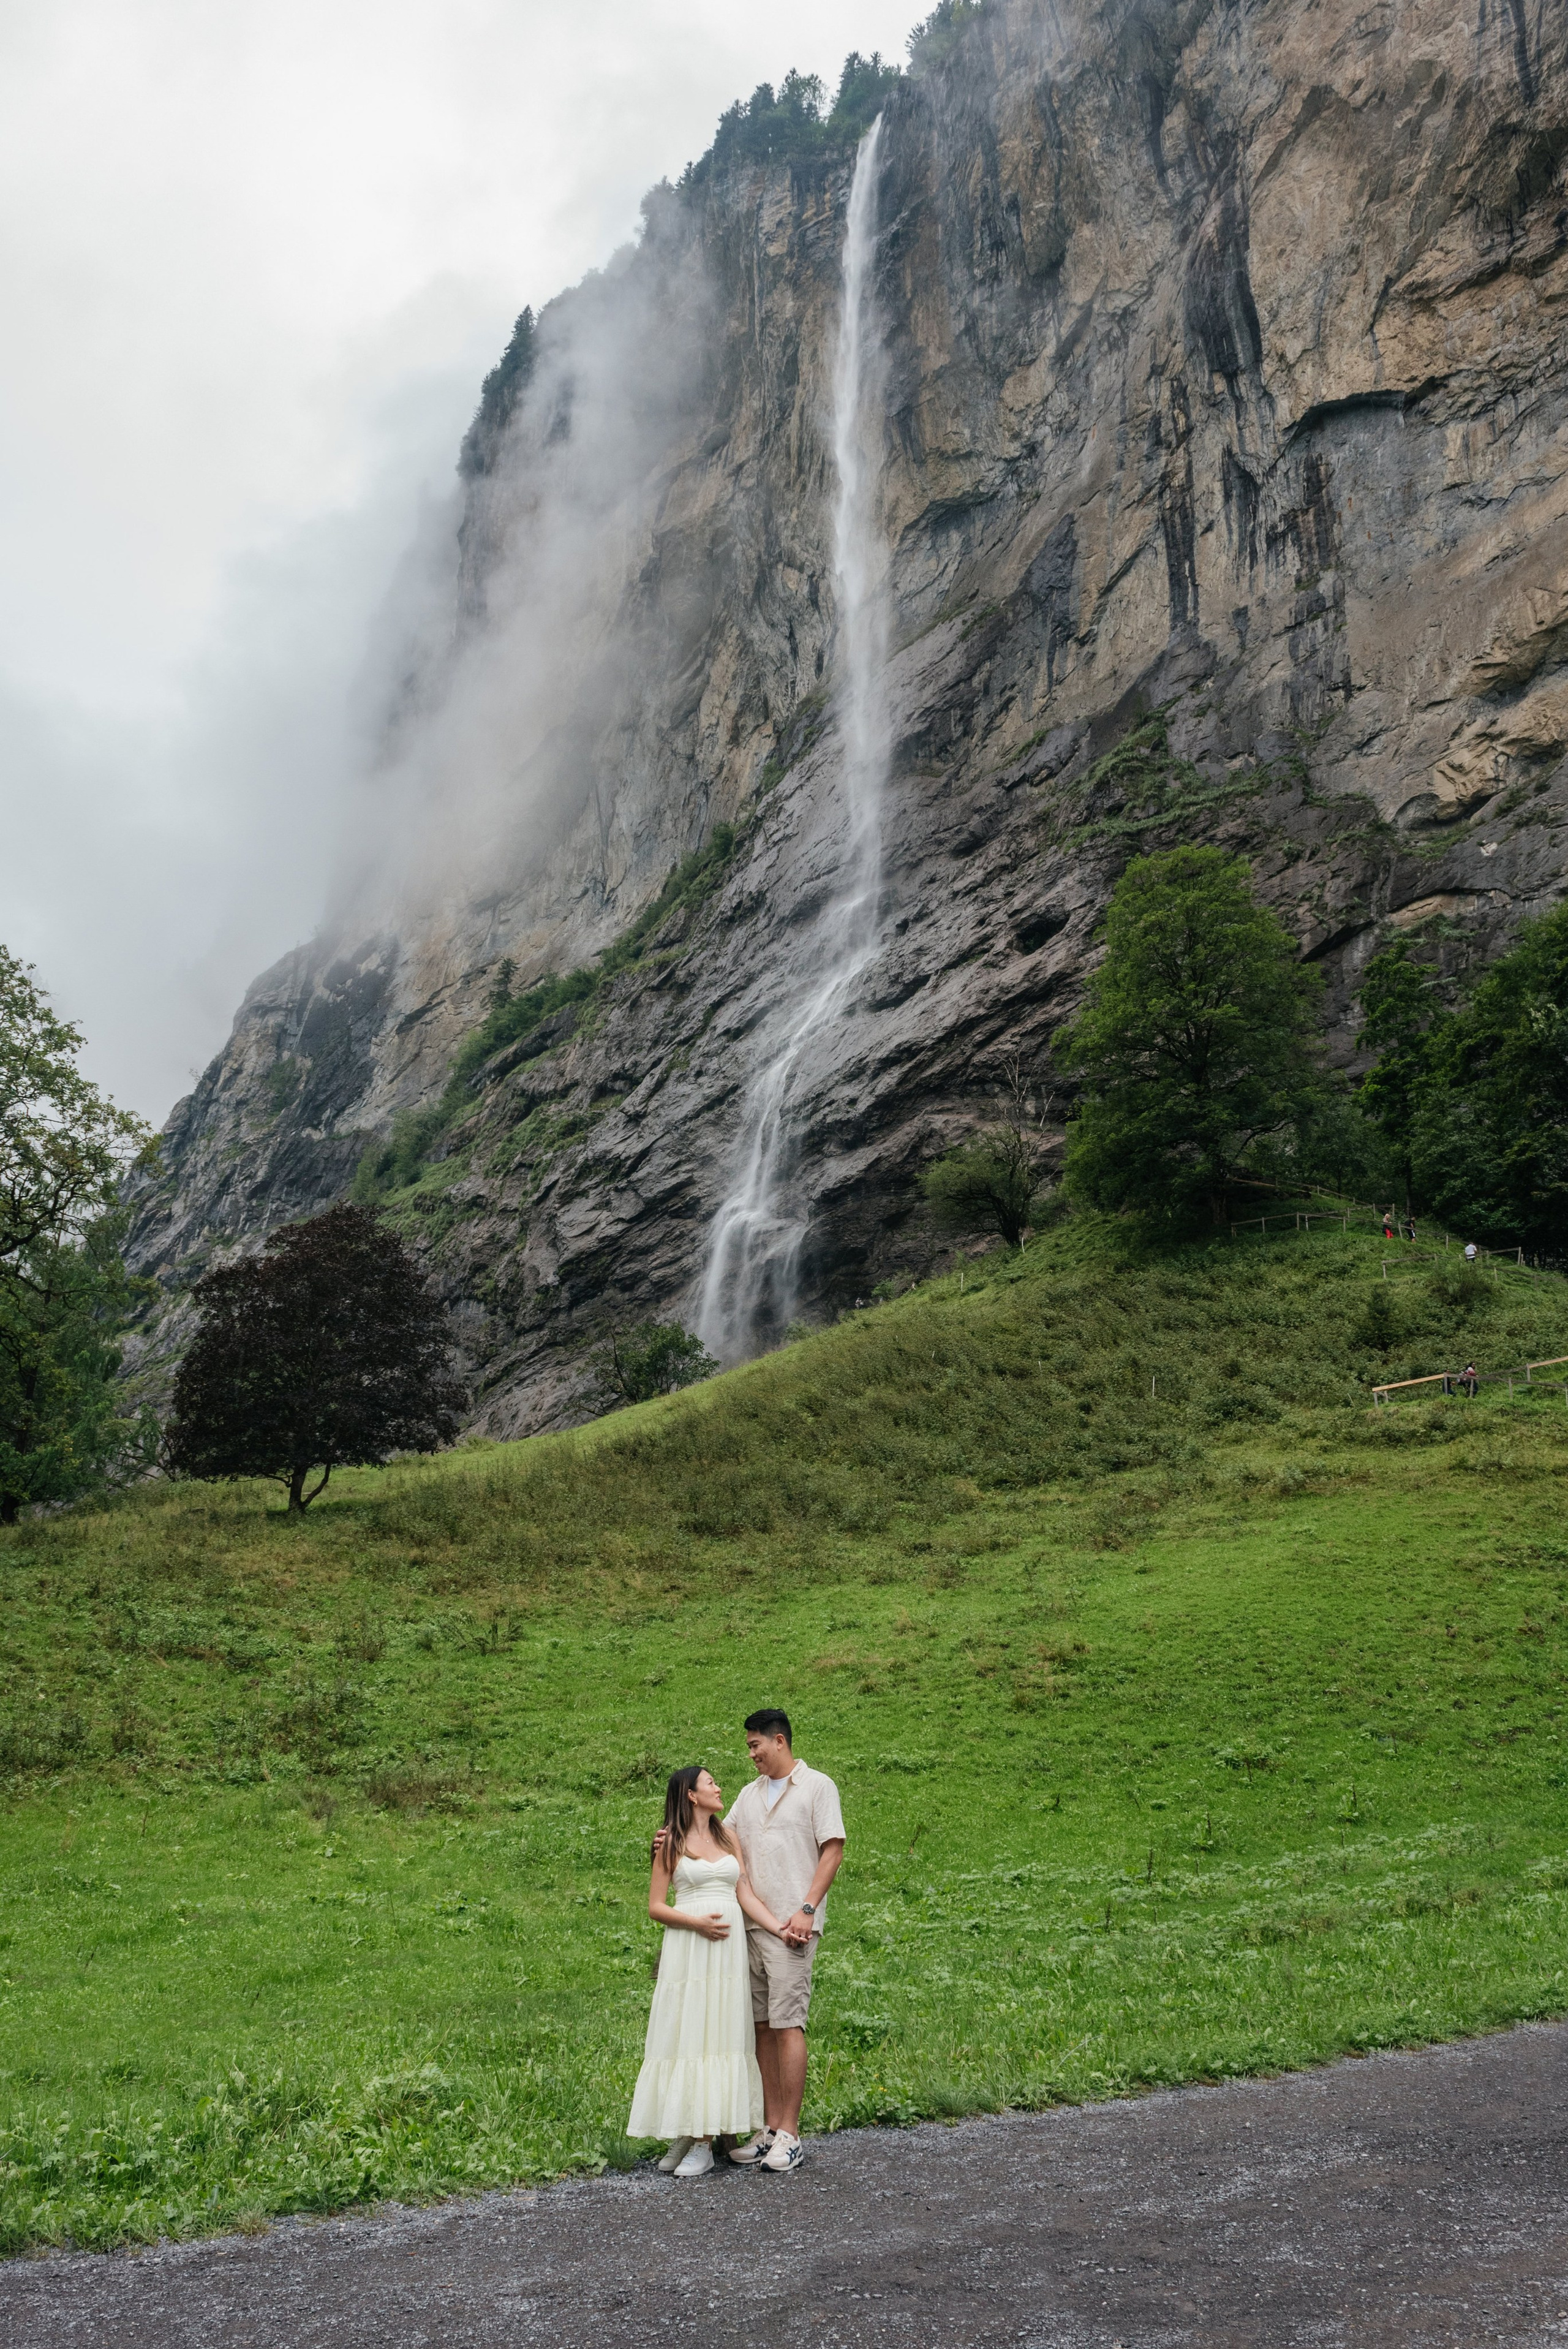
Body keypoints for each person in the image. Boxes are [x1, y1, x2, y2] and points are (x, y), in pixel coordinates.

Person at [627, 1765, 790, 2179]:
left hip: (727, 1955)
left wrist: (779, 1929)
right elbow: (656, 1906)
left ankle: (702, 2136)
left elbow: (744, 1893)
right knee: (691, 2032)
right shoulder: (671, 1842)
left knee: (721, 2033)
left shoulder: (728, 1837)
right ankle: (692, 2136)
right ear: (691, 1795)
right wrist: (697, 1923)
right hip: (690, 1949)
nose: (719, 1787)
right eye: (710, 1783)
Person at [722, 1708, 845, 2174]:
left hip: (793, 1928)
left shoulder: (817, 1787)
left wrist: (807, 1909)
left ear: (779, 1741)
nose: (751, 1754)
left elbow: (833, 1849)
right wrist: (674, 1834)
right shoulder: (748, 1794)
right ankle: (770, 2130)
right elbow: (723, 1832)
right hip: (752, 1925)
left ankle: (791, 2135)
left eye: (755, 1745)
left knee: (789, 2023)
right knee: (762, 2027)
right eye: (749, 1747)